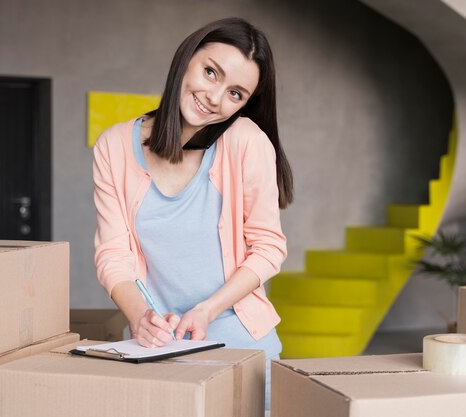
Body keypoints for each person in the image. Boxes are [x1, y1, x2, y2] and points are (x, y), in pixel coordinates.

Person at [92, 17, 293, 410]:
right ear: (186, 58)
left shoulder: (246, 142)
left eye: (235, 93)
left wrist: (207, 310)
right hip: (156, 349)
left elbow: (269, 248)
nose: (215, 97)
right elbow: (111, 254)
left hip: (243, 348)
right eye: (210, 72)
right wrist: (140, 316)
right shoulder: (114, 146)